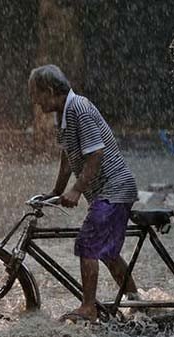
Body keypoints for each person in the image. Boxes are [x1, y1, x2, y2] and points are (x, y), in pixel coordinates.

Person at [28, 64, 140, 322]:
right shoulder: (64, 114)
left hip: (114, 188)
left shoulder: (79, 108)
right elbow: (68, 156)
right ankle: (137, 302)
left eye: (37, 94)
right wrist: (56, 192)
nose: (35, 101)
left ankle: (88, 307)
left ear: (49, 90)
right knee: (108, 253)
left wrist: (76, 190)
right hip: (107, 190)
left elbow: (96, 154)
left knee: (88, 243)